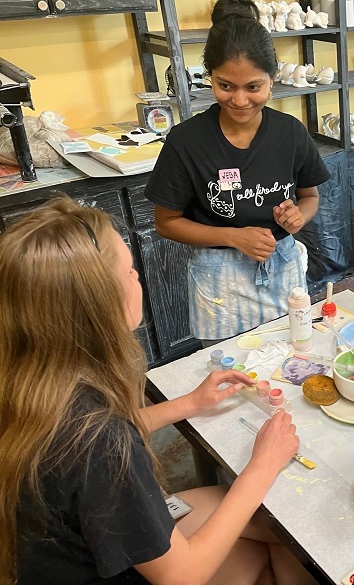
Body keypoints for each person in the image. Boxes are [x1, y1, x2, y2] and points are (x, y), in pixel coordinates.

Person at [0, 198, 314, 585]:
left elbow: (103, 438)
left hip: (77, 550)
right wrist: (262, 465)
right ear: (95, 306)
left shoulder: (33, 383)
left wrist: (190, 404)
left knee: (269, 527)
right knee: (277, 542)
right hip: (130, 570)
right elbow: (180, 576)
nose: (137, 279)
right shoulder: (99, 441)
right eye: (129, 271)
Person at [145, 0, 330, 343]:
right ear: (209, 77)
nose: (240, 100)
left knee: (291, 361)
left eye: (253, 87)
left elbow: (310, 196)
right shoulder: (187, 142)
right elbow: (166, 223)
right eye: (225, 86)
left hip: (282, 269)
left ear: (272, 79)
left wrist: (299, 217)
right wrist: (233, 236)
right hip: (219, 283)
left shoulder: (289, 133)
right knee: (228, 377)